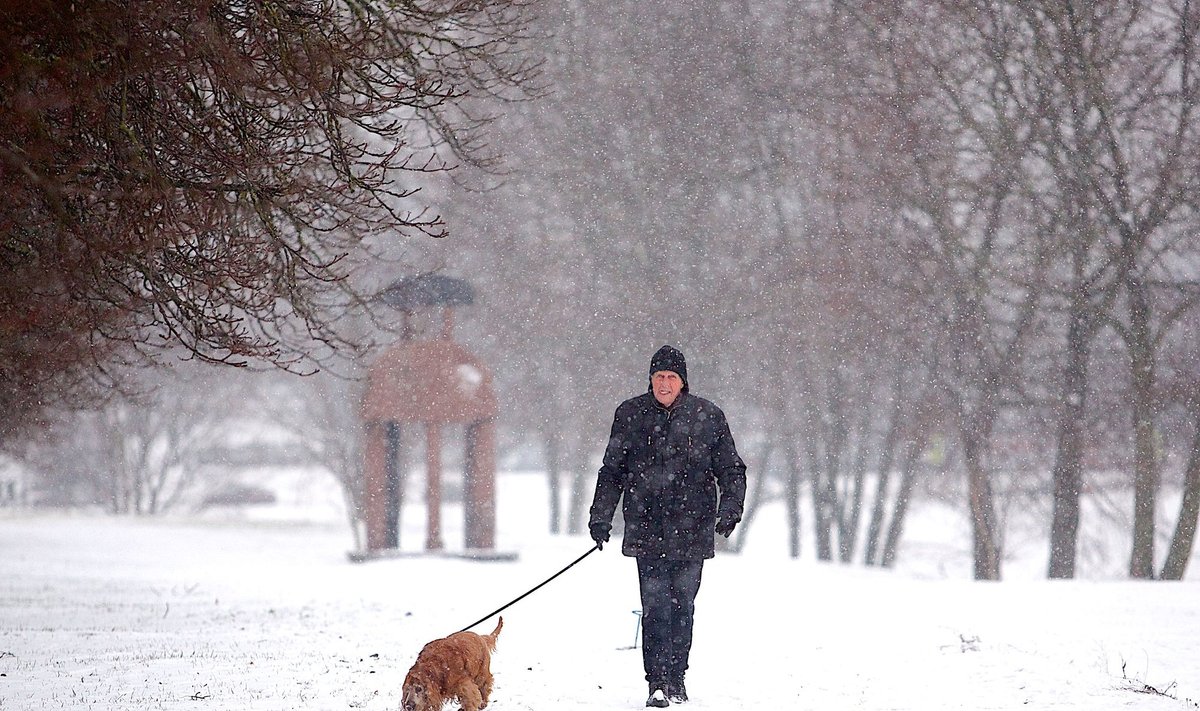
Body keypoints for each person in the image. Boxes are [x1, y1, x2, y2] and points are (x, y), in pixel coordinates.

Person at [588, 345, 747, 708]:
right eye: (658, 376)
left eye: (670, 377)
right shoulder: (630, 415)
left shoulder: (708, 416)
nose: (664, 383)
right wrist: (600, 516)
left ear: (683, 382)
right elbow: (612, 471)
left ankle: (677, 676)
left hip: (692, 529)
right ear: (650, 379)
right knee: (655, 606)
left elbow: (731, 469)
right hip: (646, 528)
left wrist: (730, 510)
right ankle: (656, 681)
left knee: (683, 607)